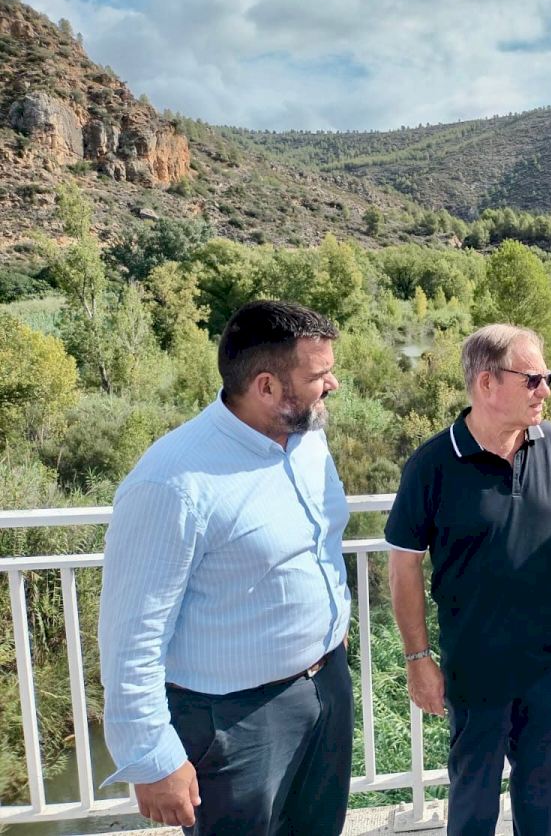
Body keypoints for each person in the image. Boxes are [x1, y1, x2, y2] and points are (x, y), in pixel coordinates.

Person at [98, 300, 353, 834]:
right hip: (233, 722)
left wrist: (330, 630)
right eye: (318, 376)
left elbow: (316, 544)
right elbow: (132, 637)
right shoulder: (171, 483)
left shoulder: (308, 439)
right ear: (267, 387)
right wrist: (152, 757)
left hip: (325, 686)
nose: (332, 384)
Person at [386, 323, 551, 836]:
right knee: (473, 805)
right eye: (533, 379)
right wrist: (418, 659)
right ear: (486, 383)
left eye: (546, 378)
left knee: (542, 804)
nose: (545, 391)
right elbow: (404, 564)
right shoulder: (432, 465)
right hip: (477, 669)